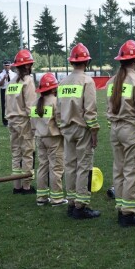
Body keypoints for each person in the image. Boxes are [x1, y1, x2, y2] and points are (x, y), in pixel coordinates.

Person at [106, 40, 135, 227]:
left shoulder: (111, 81)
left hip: (115, 129)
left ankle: (120, 208)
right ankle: (128, 213)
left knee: (118, 170)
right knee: (132, 171)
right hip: (131, 130)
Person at [56, 43, 100, 219]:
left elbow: (58, 109)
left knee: (69, 165)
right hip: (82, 129)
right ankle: (81, 206)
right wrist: (94, 131)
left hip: (67, 129)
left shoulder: (63, 82)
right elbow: (90, 110)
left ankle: (72, 201)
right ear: (86, 62)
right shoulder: (87, 81)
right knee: (84, 167)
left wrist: (62, 125)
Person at [30, 73, 67, 207]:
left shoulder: (35, 103)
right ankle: (57, 199)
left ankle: (41, 197)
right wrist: (65, 134)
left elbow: (32, 123)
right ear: (53, 88)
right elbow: (60, 121)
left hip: (39, 138)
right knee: (56, 168)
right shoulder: (55, 102)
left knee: (42, 167)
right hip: (54, 139)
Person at [6, 49, 37, 194]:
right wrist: (36, 126)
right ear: (27, 66)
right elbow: (31, 106)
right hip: (24, 122)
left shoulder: (11, 82)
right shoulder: (28, 81)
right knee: (27, 153)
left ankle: (16, 186)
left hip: (11, 121)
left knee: (16, 154)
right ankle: (26, 186)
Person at [0, 60, 16, 126]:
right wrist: (4, 78)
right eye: (5, 65)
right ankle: (5, 122)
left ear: (10, 65)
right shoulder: (0, 74)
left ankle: (13, 120)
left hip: (12, 90)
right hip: (4, 90)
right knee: (4, 106)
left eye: (8, 65)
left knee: (13, 105)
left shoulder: (14, 74)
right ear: (3, 66)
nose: (7, 66)